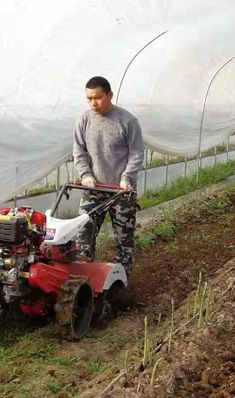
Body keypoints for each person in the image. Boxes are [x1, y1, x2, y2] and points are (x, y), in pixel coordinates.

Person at [73, 76, 144, 277]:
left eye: (98, 97)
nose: (93, 103)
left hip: (121, 191)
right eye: (89, 99)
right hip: (93, 190)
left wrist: (127, 178)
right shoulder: (84, 120)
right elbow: (79, 151)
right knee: (83, 235)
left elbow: (136, 153)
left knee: (124, 240)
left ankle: (123, 282)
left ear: (110, 95)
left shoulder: (127, 121)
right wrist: (86, 174)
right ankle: (84, 280)